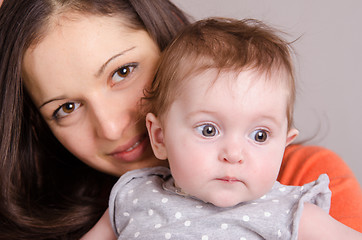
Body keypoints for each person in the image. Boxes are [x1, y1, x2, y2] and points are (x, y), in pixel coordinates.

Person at [0, 0, 360, 239]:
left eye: (123, 71)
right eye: (66, 108)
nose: (111, 127)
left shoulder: (298, 193)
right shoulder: (129, 200)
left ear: (167, 46)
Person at [104, 18, 362, 239]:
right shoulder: (134, 196)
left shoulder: (292, 213)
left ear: (284, 145)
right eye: (208, 130)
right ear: (159, 136)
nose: (234, 154)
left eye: (260, 136)